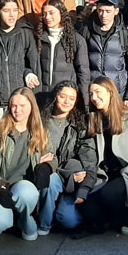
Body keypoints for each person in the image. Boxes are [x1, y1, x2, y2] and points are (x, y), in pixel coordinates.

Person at [76, 77, 128, 236]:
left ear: (110, 93)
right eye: (91, 94)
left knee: (109, 195)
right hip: (105, 175)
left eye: (98, 92)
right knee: (87, 208)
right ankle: (109, 217)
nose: (94, 97)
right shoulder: (94, 119)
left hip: (127, 175)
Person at [0, 87, 55, 241]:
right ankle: (13, 217)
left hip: (25, 188)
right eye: (13, 106)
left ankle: (26, 222)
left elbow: (51, 157)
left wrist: (46, 167)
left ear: (31, 106)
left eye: (22, 106)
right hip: (4, 187)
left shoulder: (41, 132)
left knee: (26, 192)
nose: (17, 110)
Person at [0, 0, 41, 142]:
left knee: (15, 143)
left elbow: (33, 65)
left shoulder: (25, 33)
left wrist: (30, 77)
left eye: (15, 10)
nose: (12, 15)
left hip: (18, 101)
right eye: (6, 11)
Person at [38, 81, 96, 234]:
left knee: (70, 221)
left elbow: (89, 157)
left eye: (71, 98)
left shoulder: (80, 124)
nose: (66, 101)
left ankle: (59, 212)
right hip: (49, 173)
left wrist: (84, 182)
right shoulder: (41, 121)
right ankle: (44, 225)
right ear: (55, 96)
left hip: (70, 178)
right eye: (63, 96)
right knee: (50, 181)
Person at [81, 0, 128, 110]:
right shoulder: (86, 33)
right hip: (93, 98)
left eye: (108, 11)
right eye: (100, 10)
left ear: (116, 11)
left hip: (118, 97)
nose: (103, 15)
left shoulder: (126, 36)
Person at [36, 0, 90, 107]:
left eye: (51, 13)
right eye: (44, 14)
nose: (47, 17)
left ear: (61, 13)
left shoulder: (76, 39)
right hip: (43, 98)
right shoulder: (39, 38)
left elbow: (83, 72)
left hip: (66, 99)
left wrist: (85, 103)